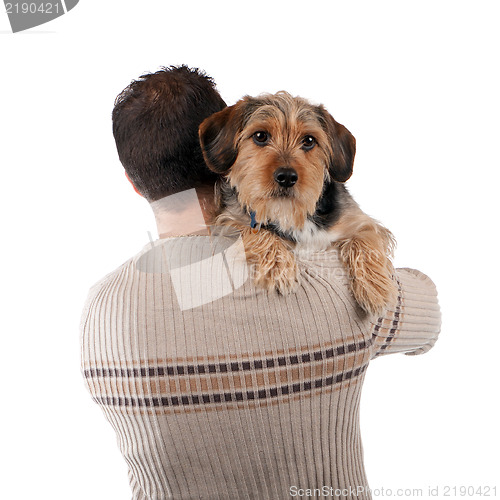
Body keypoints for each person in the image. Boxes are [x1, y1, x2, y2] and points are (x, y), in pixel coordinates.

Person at [81, 66, 441, 500]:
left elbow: (193, 292)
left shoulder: (99, 312)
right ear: (223, 160)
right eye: (261, 139)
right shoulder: (330, 287)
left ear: (132, 183)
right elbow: (429, 318)